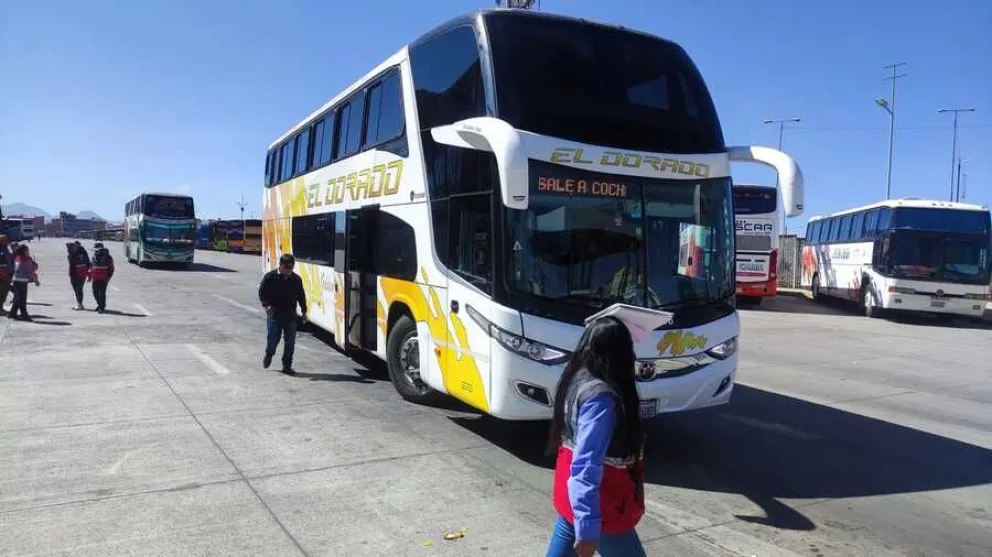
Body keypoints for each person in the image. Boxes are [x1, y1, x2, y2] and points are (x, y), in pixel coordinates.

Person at [546, 316, 647, 557]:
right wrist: (589, 529)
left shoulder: (577, 378)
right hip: (603, 508)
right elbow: (586, 464)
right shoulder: (601, 399)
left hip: (575, 502)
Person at [258, 253, 308, 375]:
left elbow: (301, 296)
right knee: (273, 339)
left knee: (290, 342)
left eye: (291, 268)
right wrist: (267, 305)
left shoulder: (296, 279)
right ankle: (269, 354)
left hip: (291, 315)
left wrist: (304, 311)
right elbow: (262, 293)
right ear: (280, 265)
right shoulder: (270, 277)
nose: (288, 271)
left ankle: (287, 365)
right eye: (286, 268)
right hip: (275, 315)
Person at [8, 244, 40, 321]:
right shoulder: (27, 259)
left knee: (18, 298)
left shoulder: (17, 258)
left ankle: (12, 313)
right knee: (22, 299)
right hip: (22, 281)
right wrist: (36, 280)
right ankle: (24, 315)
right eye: (27, 250)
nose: (28, 252)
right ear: (24, 251)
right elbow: (29, 272)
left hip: (16, 280)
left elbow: (19, 269)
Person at [88, 242, 115, 313]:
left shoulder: (108, 257)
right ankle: (100, 304)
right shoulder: (94, 256)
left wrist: (108, 278)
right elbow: (92, 266)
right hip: (95, 277)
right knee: (95, 292)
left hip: (104, 278)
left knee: (102, 293)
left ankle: (101, 307)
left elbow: (111, 268)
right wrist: (90, 276)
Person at [67, 241, 91, 310]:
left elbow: (88, 263)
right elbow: (71, 262)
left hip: (81, 273)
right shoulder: (71, 253)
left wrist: (89, 274)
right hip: (73, 273)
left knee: (79, 289)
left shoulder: (83, 253)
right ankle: (79, 303)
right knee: (76, 289)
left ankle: (80, 304)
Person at [0, 235, 13, 314]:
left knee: (4, 292)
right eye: (5, 240)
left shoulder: (6, 249)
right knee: (2, 292)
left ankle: (1, 308)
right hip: (3, 274)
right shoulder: (2, 250)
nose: (7, 242)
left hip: (7, 273)